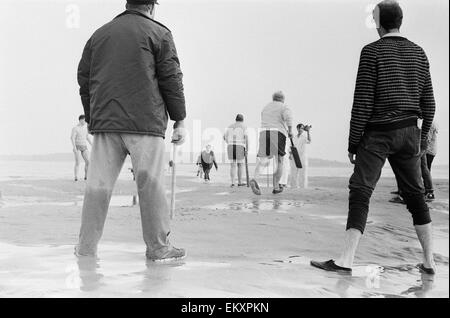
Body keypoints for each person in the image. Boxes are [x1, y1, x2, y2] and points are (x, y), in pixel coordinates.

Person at [311, 1, 437, 275]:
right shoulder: (419, 52)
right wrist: (422, 138)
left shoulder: (371, 52)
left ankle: (346, 259)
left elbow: (363, 102)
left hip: (379, 132)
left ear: (379, 22)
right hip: (408, 133)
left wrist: (353, 143)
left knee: (360, 190)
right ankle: (429, 261)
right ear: (400, 21)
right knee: (415, 196)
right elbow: (429, 104)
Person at [75, 0, 187, 262]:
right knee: (151, 185)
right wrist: (179, 119)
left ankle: (86, 249)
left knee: (97, 187)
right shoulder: (159, 33)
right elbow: (172, 78)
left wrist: (92, 117)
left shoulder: (99, 34)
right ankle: (159, 248)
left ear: (127, 3)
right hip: (145, 123)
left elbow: (84, 79)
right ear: (152, 6)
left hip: (106, 124)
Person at [249, 91, 293, 195]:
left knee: (264, 159)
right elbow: (289, 118)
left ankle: (254, 179)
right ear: (282, 99)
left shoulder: (266, 107)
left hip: (264, 133)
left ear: (273, 98)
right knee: (280, 160)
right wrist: (290, 131)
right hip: (278, 133)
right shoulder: (284, 106)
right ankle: (276, 186)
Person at [223, 114, 248, 187]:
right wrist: (247, 149)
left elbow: (224, 136)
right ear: (242, 120)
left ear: (236, 119)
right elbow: (247, 138)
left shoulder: (230, 126)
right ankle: (240, 182)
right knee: (240, 164)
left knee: (233, 165)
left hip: (230, 146)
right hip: (239, 146)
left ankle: (233, 182)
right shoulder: (244, 126)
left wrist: (228, 142)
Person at [289, 124, 312, 189]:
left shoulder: (304, 137)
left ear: (303, 129)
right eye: (299, 128)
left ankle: (303, 187)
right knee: (293, 173)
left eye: (302, 128)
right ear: (297, 129)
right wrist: (290, 154)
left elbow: (309, 141)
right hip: (294, 156)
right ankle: (293, 187)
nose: (300, 129)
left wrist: (308, 131)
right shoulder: (294, 137)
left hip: (302, 157)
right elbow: (291, 146)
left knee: (303, 174)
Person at [71, 115, 92, 181]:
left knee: (88, 162)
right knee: (78, 162)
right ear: (80, 120)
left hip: (84, 147)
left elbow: (87, 137)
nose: (85, 122)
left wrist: (92, 144)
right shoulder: (75, 128)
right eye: (84, 120)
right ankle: (76, 177)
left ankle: (86, 176)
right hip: (77, 146)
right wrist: (74, 147)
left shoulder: (86, 128)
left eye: (85, 120)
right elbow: (72, 138)